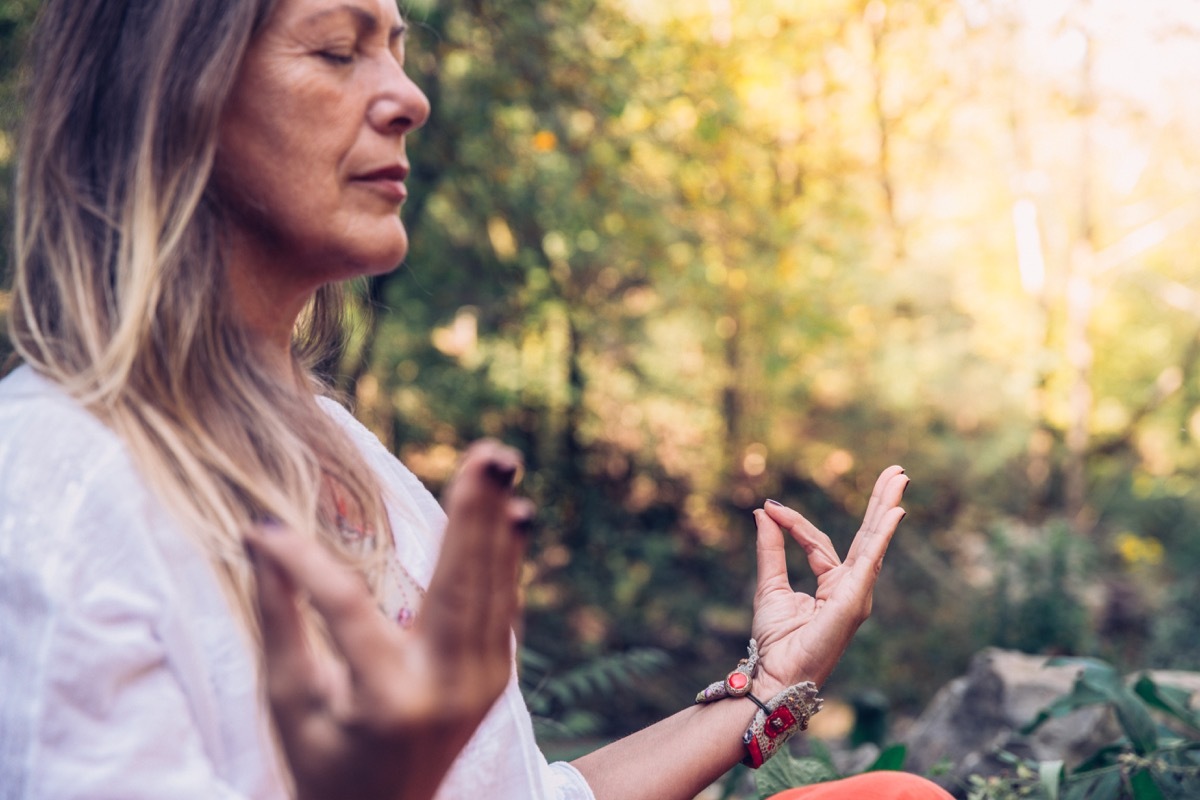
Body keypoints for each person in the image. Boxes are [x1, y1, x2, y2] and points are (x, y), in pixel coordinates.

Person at [0, 0, 953, 798]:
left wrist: (771, 690)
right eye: (337, 50)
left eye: (397, 51)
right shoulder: (58, 497)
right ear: (169, 97)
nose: (408, 98)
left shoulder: (337, 445)